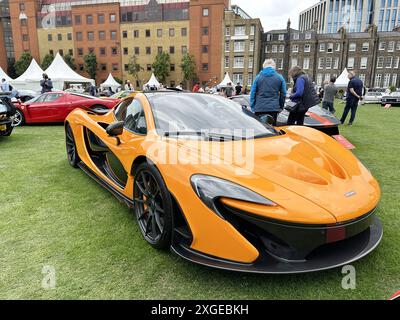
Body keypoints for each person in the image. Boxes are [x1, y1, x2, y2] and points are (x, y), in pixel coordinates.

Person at [250, 59, 287, 126]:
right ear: (274, 67)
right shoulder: (280, 77)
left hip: (259, 108)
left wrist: (253, 106)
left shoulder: (258, 78)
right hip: (273, 108)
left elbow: (252, 93)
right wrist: (281, 106)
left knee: (260, 129)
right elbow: (283, 94)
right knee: (272, 130)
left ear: (264, 66)